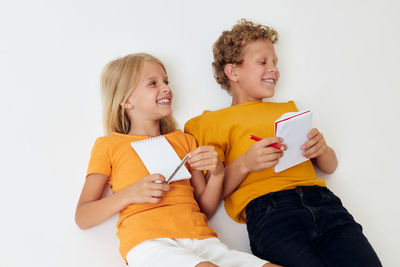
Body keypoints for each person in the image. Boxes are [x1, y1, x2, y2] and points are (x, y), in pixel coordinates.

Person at [184, 19, 382, 267]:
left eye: (275, 62)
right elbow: (211, 197)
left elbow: (329, 167)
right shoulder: (211, 123)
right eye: (263, 62)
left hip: (325, 203)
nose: (274, 69)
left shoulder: (289, 111)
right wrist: (245, 163)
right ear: (233, 72)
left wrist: (322, 149)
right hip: (271, 214)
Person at [75, 53, 279, 267]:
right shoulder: (109, 145)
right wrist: (130, 194)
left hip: (203, 240)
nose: (166, 88)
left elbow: (204, 209)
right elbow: (83, 216)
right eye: (153, 83)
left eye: (166, 81)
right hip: (149, 243)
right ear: (126, 100)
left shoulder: (184, 140)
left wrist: (217, 173)